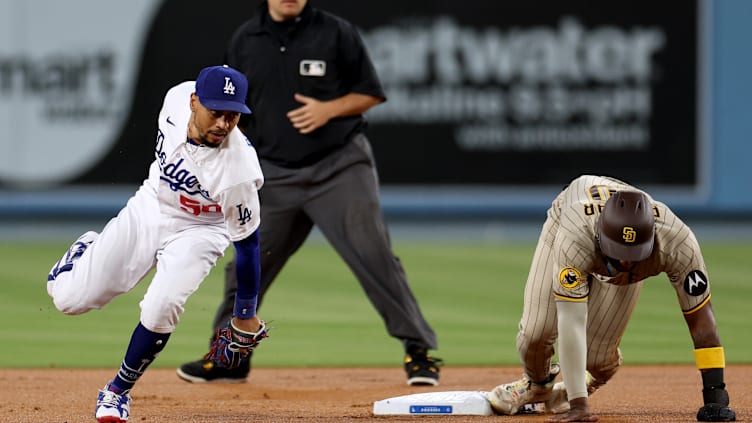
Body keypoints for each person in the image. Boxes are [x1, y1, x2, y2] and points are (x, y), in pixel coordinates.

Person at [176, 0, 441, 386]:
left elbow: (370, 93)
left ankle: (419, 351)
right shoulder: (246, 39)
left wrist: (329, 109)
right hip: (274, 174)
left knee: (374, 254)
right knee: (247, 265)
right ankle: (231, 357)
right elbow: (233, 112)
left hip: (338, 166)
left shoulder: (335, 32)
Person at [46, 65, 269, 423]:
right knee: (69, 300)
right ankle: (85, 249)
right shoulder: (175, 99)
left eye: (233, 115)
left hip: (202, 229)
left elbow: (248, 245)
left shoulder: (238, 171)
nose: (224, 124)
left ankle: (117, 391)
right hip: (152, 206)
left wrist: (244, 314)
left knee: (161, 305)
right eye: (216, 111)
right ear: (195, 101)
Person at [487, 174, 736, 422]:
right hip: (568, 220)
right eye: (619, 253)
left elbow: (701, 319)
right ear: (599, 236)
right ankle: (537, 384)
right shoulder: (576, 233)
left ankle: (592, 376)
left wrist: (715, 395)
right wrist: (578, 403)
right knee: (536, 333)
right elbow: (570, 319)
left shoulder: (678, 243)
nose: (626, 261)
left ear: (651, 240)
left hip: (612, 239)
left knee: (598, 360)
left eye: (634, 254)